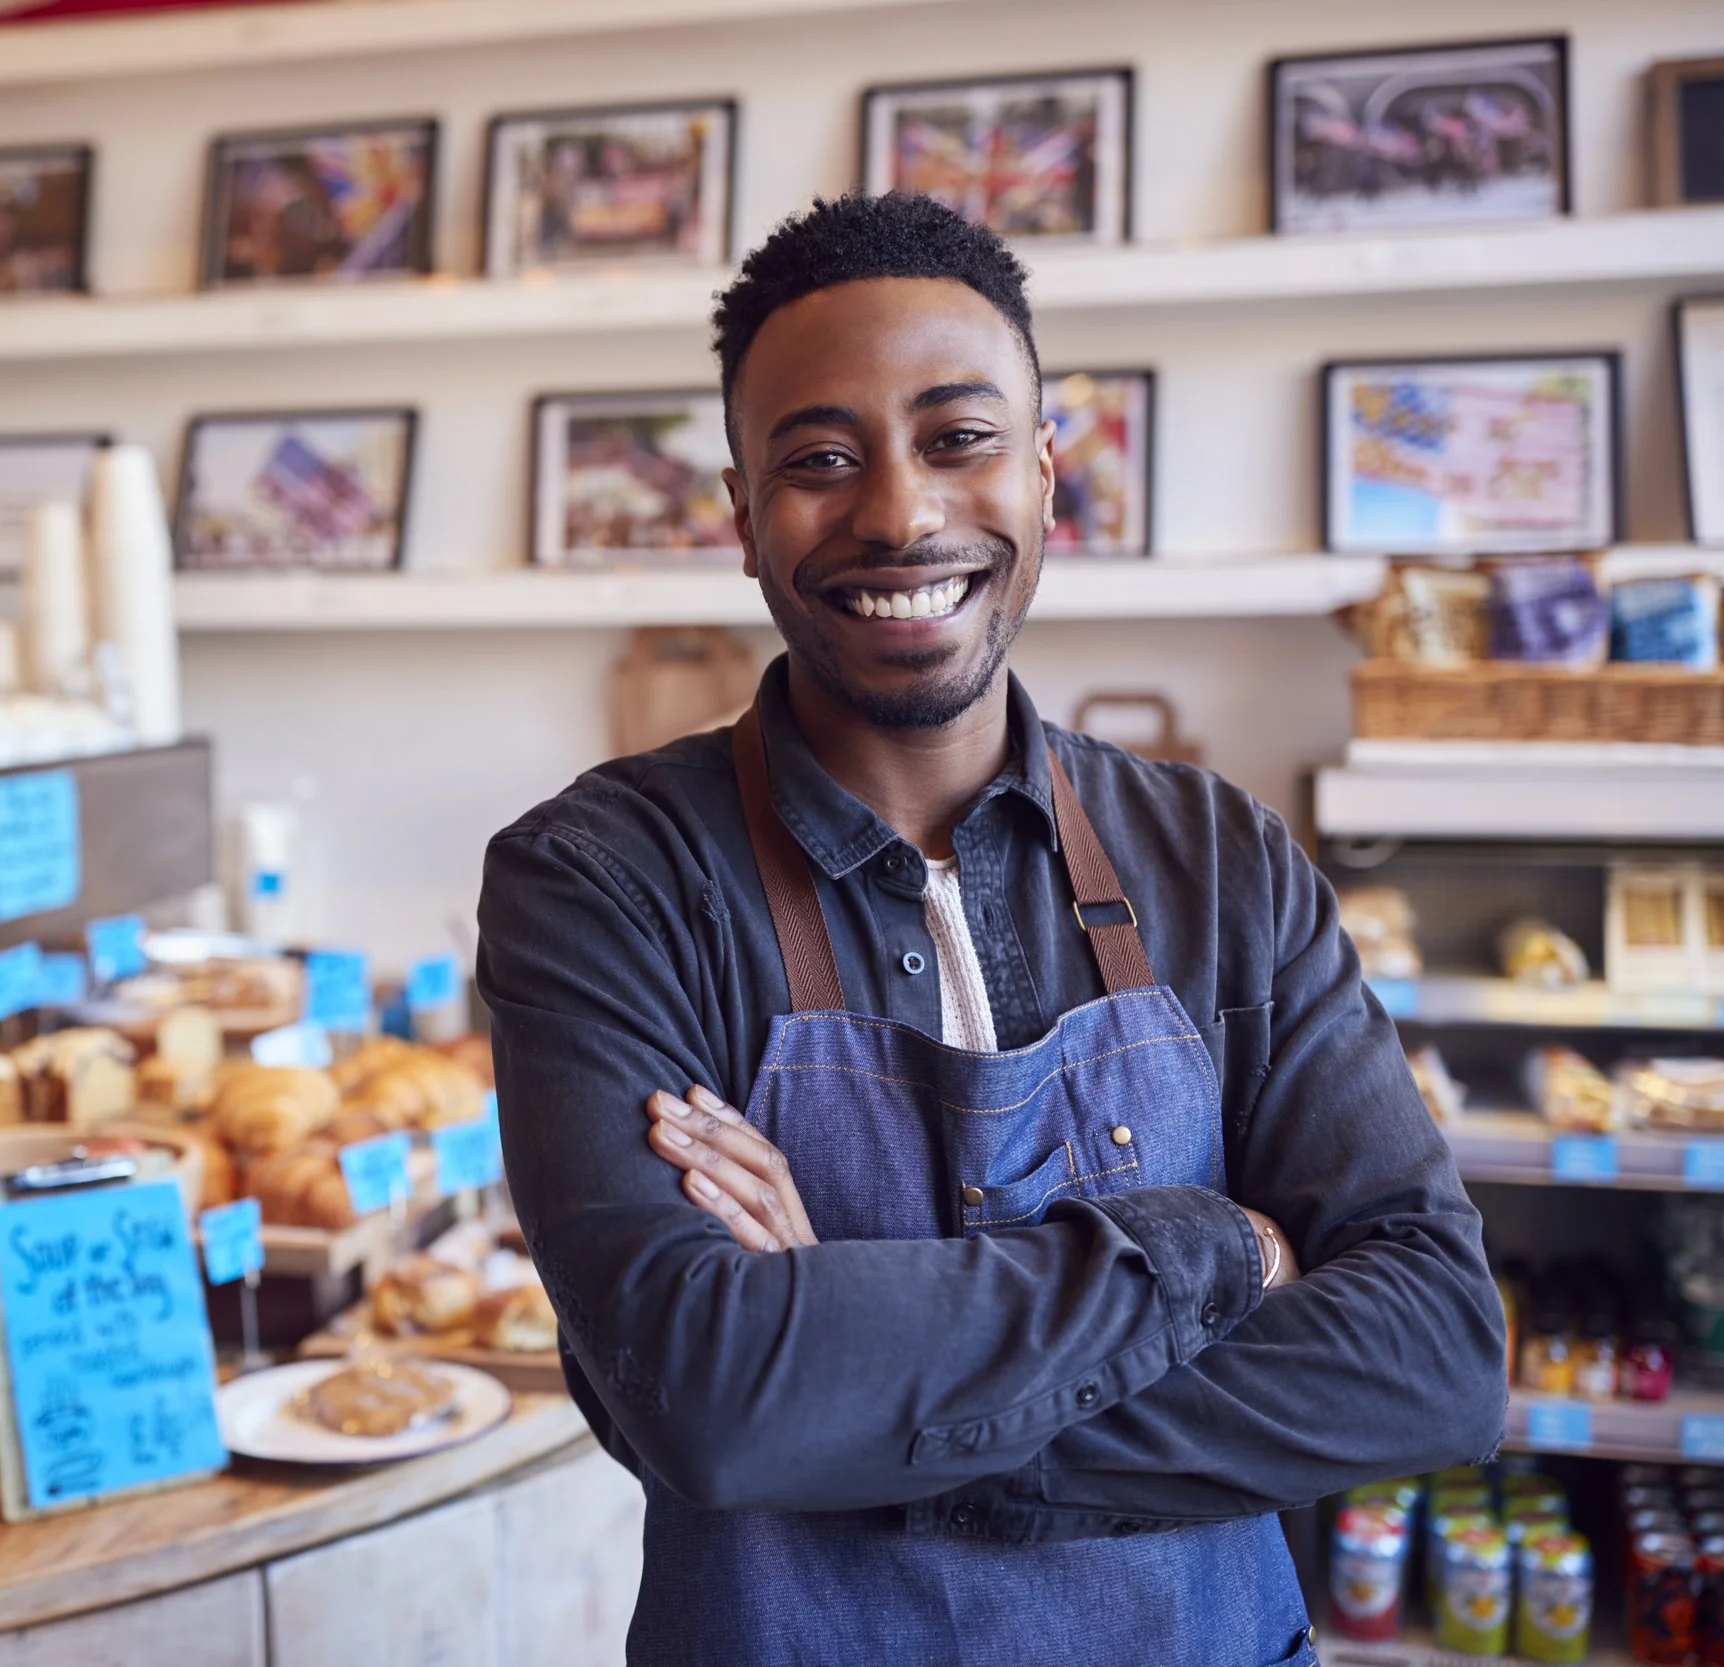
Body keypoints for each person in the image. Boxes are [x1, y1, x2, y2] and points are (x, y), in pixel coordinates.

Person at [476, 192, 1505, 1667]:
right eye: (821, 459)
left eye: (958, 437)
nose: (899, 512)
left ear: (1042, 469)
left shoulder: (1221, 859)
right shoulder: (604, 880)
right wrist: (1209, 1252)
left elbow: (1435, 1362)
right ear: (742, 516)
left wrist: (853, 1385)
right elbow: (707, 1393)